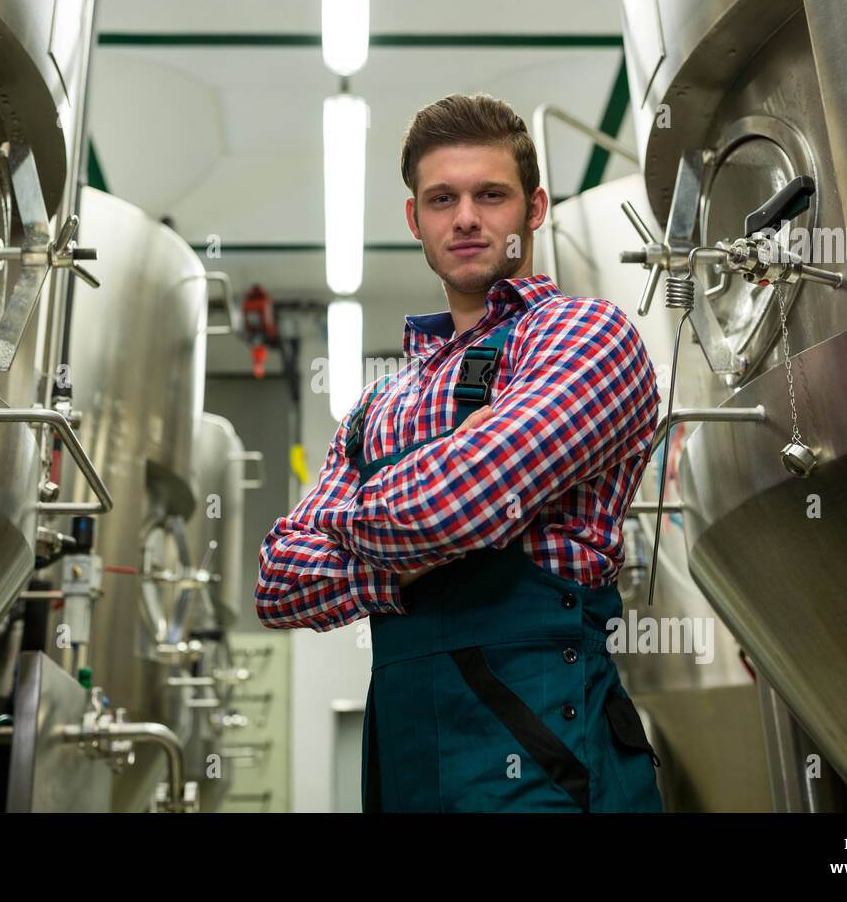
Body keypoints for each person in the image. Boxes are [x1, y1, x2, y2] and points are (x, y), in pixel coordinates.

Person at [256, 93, 663, 812]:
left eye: (491, 195)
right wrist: (421, 536)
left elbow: (456, 506)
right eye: (442, 198)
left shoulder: (587, 336)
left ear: (535, 208)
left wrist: (350, 524)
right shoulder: (380, 400)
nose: (467, 217)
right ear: (415, 219)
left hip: (547, 758)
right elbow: (280, 584)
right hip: (406, 764)